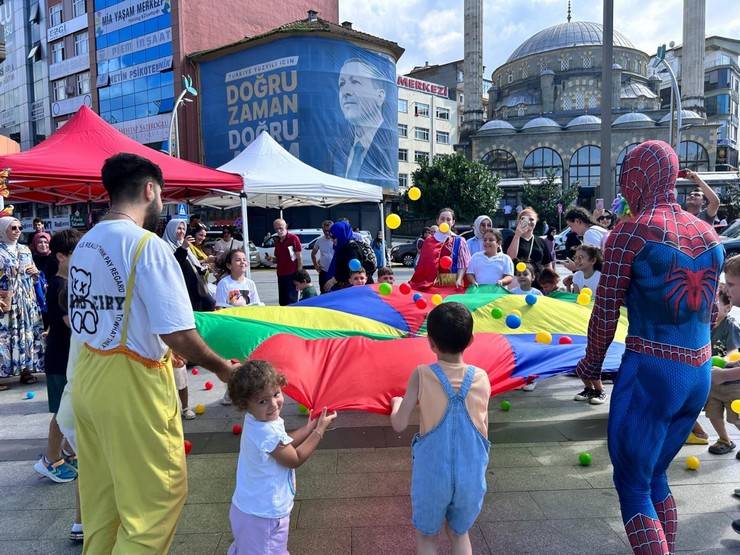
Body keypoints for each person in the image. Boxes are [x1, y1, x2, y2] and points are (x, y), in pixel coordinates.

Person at [68, 152, 240, 554]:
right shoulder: (147, 246)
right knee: (156, 501)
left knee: (103, 503)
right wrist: (221, 367)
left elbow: (105, 313)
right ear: (150, 190)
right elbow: (179, 332)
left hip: (89, 375)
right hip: (132, 385)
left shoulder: (86, 242)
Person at [575, 140, 724, 554]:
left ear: (641, 175)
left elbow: (604, 312)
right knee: (657, 475)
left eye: (628, 172)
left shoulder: (630, 232)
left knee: (633, 485)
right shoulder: (709, 234)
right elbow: (711, 312)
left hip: (653, 369)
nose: (625, 183)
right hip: (698, 371)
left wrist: (590, 366)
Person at [390, 302, 490, 555]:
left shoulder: (422, 374)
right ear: (471, 341)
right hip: (471, 473)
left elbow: (399, 424)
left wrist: (396, 404)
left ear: (430, 342)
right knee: (459, 533)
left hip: (432, 476)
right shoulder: (481, 377)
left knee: (427, 536)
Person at [226, 360, 336, 554]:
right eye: (262, 401)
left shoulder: (258, 420)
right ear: (245, 404)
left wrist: (308, 427)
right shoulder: (266, 431)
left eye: (276, 394)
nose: (273, 404)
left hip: (249, 509)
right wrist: (319, 431)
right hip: (264, 516)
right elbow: (294, 458)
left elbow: (283, 443)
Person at [33, 230, 82, 485]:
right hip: (60, 358)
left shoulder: (70, 282)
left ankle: (68, 453)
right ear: (61, 256)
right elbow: (72, 323)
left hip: (67, 357)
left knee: (70, 409)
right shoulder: (59, 285)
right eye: (77, 254)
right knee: (61, 412)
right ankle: (49, 460)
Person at [0, 216, 44, 390]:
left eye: (19, 227)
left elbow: (33, 275)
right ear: (4, 230)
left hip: (26, 299)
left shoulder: (25, 249)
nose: (18, 231)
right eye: (13, 228)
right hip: (7, 301)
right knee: (5, 337)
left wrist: (36, 273)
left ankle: (26, 370)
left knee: (27, 334)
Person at [337, 58, 394, 187]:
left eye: (355, 82)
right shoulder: (339, 150)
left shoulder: (389, 144)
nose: (345, 92)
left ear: (380, 96)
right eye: (341, 84)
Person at [702, 284, 740, 455]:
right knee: (713, 414)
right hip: (713, 383)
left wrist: (722, 361)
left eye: (713, 304)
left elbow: (735, 354)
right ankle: (725, 439)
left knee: (736, 417)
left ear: (727, 307)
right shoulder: (704, 328)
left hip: (733, 383)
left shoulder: (730, 326)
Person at [162, 218, 216, 312]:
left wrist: (202, 269)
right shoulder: (165, 246)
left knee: (209, 304)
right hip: (181, 289)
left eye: (183, 229)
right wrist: (183, 248)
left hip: (195, 286)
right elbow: (174, 264)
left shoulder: (183, 245)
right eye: (178, 228)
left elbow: (192, 264)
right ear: (171, 229)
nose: (181, 231)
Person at [411, 208, 472, 290]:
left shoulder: (460, 240)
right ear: (437, 221)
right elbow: (424, 265)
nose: (445, 222)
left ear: (453, 222)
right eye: (442, 219)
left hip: (455, 284)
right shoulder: (429, 241)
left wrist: (459, 279)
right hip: (435, 284)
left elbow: (463, 264)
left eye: (448, 219)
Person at [324, 221, 376, 291]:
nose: (332, 240)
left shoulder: (352, 249)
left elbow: (355, 272)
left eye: (334, 237)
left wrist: (334, 280)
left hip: (352, 290)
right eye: (331, 237)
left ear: (342, 235)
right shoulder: (343, 247)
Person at [503, 207, 554, 274]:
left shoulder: (541, 241)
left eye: (532, 219)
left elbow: (548, 264)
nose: (529, 222)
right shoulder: (510, 239)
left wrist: (550, 280)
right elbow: (510, 259)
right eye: (524, 219)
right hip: (518, 279)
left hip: (537, 281)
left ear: (536, 221)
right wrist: (517, 235)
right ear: (519, 221)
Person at [267, 219, 302, 306]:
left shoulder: (293, 238)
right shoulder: (277, 241)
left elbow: (299, 257)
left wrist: (299, 273)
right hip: (281, 274)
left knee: (291, 301)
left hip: (292, 274)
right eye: (276, 229)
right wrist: (271, 259)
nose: (279, 231)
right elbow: (278, 259)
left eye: (281, 228)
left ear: (286, 226)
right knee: (282, 301)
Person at [311, 220, 334, 293]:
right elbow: (313, 254)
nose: (327, 232)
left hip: (335, 271)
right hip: (324, 271)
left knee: (334, 292)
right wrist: (316, 266)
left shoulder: (336, 240)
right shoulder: (319, 241)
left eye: (328, 230)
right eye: (325, 230)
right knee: (323, 291)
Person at [172, 353, 195, 420]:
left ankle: (185, 408)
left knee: (182, 382)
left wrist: (182, 354)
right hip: (160, 357)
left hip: (177, 355)